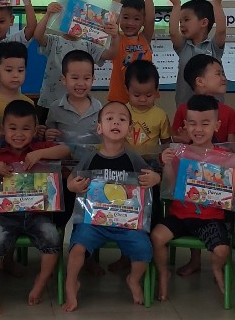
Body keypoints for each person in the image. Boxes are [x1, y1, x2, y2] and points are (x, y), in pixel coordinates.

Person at [62, 102, 161, 312]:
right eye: (109, 119)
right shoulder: (90, 158)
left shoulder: (133, 158)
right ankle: (71, 284)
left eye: (122, 119)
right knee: (77, 248)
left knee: (144, 249)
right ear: (99, 128)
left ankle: (133, 279)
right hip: (93, 223)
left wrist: (155, 178)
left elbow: (152, 176)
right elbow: (71, 180)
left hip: (127, 223)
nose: (116, 122)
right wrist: (72, 185)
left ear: (129, 129)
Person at [0, 100, 71, 315]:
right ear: (3, 129)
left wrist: (39, 155)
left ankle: (41, 281)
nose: (19, 134)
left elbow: (66, 150)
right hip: (4, 216)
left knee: (52, 236)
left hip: (36, 214)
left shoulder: (40, 149)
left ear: (35, 129)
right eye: (12, 128)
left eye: (26, 128)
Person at [153, 95, 235, 301]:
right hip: (179, 215)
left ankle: (216, 268)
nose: (198, 129)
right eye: (192, 123)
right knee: (157, 237)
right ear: (185, 125)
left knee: (222, 250)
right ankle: (163, 273)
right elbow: (171, 186)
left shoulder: (224, 157)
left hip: (210, 218)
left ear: (216, 126)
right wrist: (167, 164)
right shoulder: (179, 153)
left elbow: (232, 191)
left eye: (205, 123)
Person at [170, 54, 235, 275]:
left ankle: (219, 253)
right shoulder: (183, 109)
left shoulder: (228, 112)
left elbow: (232, 146)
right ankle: (195, 259)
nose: (223, 78)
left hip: (217, 179)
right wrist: (182, 141)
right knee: (192, 209)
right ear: (200, 81)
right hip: (190, 177)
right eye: (218, 73)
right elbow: (176, 140)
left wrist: (228, 162)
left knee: (212, 217)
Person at [32, 1, 111, 110]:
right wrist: (48, 14)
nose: (73, 21)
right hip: (50, 102)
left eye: (78, 16)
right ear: (59, 19)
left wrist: (114, 35)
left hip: (78, 103)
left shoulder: (89, 44)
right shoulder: (54, 40)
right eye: (68, 17)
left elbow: (110, 54)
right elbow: (38, 36)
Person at [167, 0, 226, 108]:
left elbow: (221, 30)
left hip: (213, 110)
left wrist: (217, 2)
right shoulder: (183, 47)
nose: (182, 25)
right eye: (180, 21)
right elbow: (173, 32)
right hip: (186, 109)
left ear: (204, 22)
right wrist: (176, 5)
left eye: (186, 20)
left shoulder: (213, 47)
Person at [105, 0, 155, 104]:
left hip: (144, 100)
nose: (130, 23)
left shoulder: (144, 38)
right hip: (119, 100)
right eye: (126, 17)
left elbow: (150, 19)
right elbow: (113, 18)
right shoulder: (116, 39)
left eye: (136, 18)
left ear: (143, 20)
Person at [122, 59, 170, 156]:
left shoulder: (160, 115)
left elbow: (166, 143)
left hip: (151, 160)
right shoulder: (121, 112)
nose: (143, 99)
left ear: (156, 90)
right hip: (126, 158)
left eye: (148, 95)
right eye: (136, 95)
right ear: (127, 89)